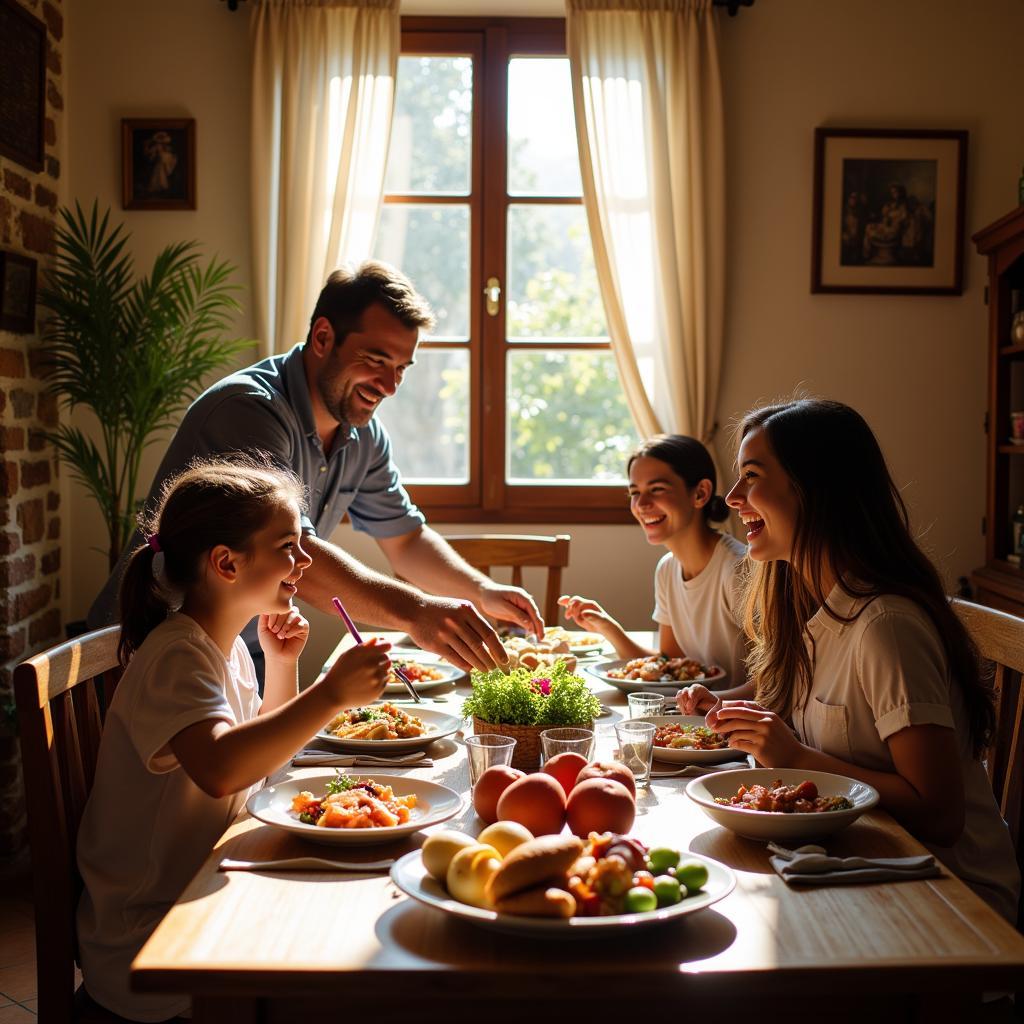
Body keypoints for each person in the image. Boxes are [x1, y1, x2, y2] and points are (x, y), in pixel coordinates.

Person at [88, 261, 542, 679]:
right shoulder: (248, 410)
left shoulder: (363, 434)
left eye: (401, 368)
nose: (388, 386)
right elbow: (295, 551)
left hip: (249, 656)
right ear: (323, 337)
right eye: (376, 360)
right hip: (150, 654)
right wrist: (416, 611)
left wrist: (482, 593)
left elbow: (406, 539)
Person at [76, 455, 394, 1021]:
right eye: (288, 547)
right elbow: (221, 768)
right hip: (153, 940)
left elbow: (265, 770)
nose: (303, 562)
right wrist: (331, 697)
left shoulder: (224, 649)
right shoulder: (178, 655)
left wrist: (281, 664)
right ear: (226, 562)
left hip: (205, 889)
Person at [686, 398, 1019, 922]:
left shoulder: (885, 626)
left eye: (751, 476)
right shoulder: (807, 608)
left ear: (815, 487)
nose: (732, 498)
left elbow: (940, 815)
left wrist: (797, 759)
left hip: (948, 898)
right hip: (854, 863)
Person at [558, 434, 749, 692]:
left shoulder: (737, 569)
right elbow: (669, 664)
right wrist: (609, 628)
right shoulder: (668, 569)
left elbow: (780, 677)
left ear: (700, 493)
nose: (642, 504)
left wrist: (715, 703)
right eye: (634, 492)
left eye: (657, 489)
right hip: (693, 716)